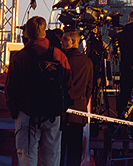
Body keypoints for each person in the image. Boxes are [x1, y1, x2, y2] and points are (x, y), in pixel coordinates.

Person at [5, 15, 72, 166]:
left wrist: (16, 111)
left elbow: (11, 87)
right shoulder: (58, 55)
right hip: (52, 114)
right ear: (44, 33)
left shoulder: (20, 57)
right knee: (52, 157)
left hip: (27, 114)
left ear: (27, 33)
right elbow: (68, 84)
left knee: (27, 157)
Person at [61, 30, 94, 166]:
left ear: (73, 41)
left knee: (59, 151)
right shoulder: (87, 62)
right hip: (79, 112)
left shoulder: (62, 59)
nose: (61, 41)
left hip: (62, 112)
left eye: (64, 39)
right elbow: (89, 88)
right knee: (75, 152)